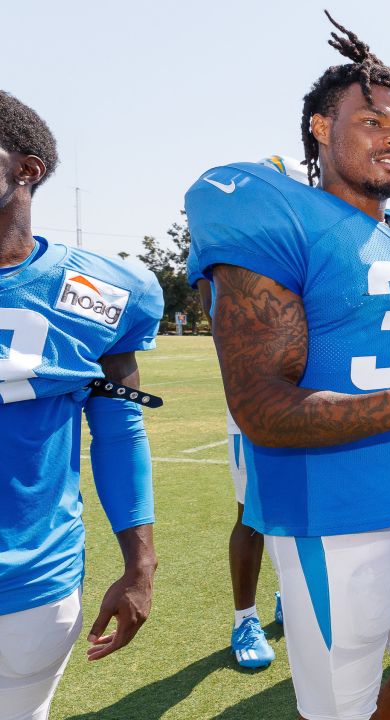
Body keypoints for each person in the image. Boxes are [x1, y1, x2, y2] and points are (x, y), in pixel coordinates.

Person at [184, 14, 390, 720]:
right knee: (336, 706)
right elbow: (262, 407)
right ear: (318, 128)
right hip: (329, 514)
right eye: (372, 121)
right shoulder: (280, 214)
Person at [0, 91, 164, 720]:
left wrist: (140, 563)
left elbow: (120, 428)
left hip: (33, 583)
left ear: (26, 169)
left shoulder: (103, 291)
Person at [190, 155, 307, 671]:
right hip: (256, 408)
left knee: (296, 511)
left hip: (306, 402)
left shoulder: (300, 244)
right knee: (252, 517)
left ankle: (287, 594)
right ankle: (244, 618)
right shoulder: (223, 256)